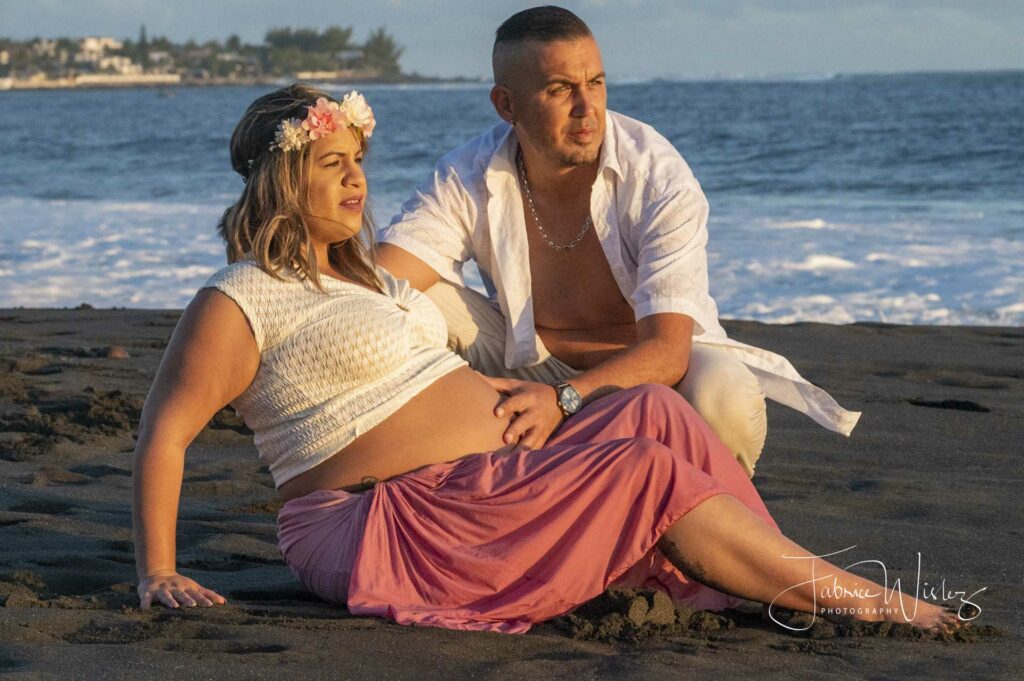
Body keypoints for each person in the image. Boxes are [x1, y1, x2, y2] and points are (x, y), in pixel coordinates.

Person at [132, 84, 961, 635]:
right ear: (281, 176)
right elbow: (164, 433)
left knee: (657, 411)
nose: (356, 181)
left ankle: (750, 577)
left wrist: (491, 394)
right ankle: (869, 602)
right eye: (331, 163)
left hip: (475, 478)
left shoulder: (364, 281)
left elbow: (417, 372)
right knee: (643, 466)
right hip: (377, 518)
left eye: (359, 162)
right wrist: (158, 570)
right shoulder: (243, 294)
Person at [377, 6, 860, 477]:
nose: (587, 108)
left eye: (596, 83)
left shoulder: (656, 176)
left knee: (724, 393)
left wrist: (565, 399)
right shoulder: (469, 173)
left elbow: (669, 351)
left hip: (652, 377)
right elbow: (378, 279)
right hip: (528, 363)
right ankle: (407, 452)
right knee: (407, 303)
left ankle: (714, 512)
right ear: (507, 105)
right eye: (561, 88)